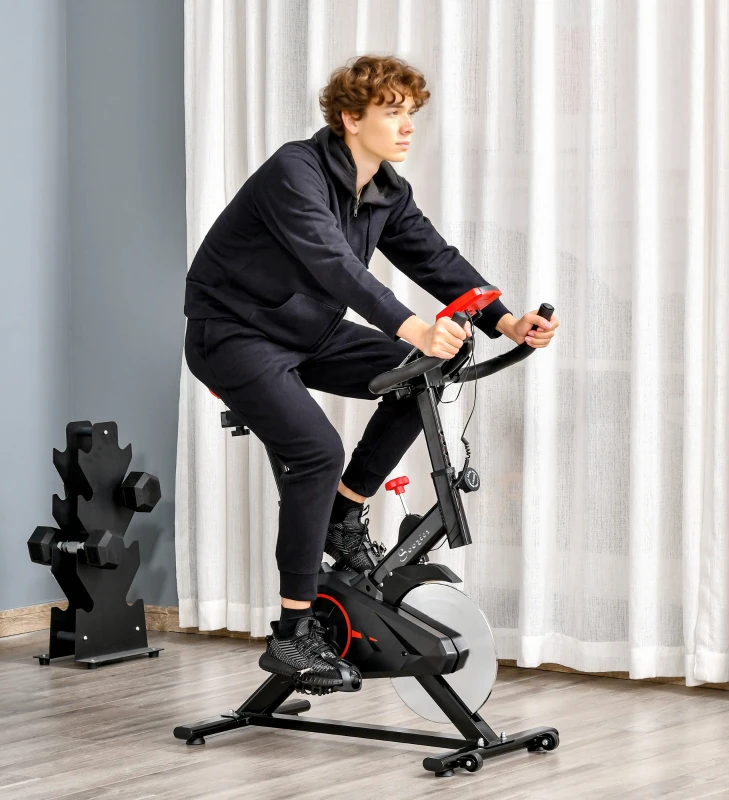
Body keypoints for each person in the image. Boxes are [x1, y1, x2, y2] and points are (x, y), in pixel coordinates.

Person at [183, 54, 559, 693]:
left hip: (310, 330)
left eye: (412, 114)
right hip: (235, 334)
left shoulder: (385, 189)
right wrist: (410, 325)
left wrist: (504, 322)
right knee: (316, 450)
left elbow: (434, 257)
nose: (408, 127)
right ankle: (293, 635)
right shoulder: (292, 171)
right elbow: (333, 263)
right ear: (350, 118)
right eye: (393, 113)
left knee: (426, 370)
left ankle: (345, 511)